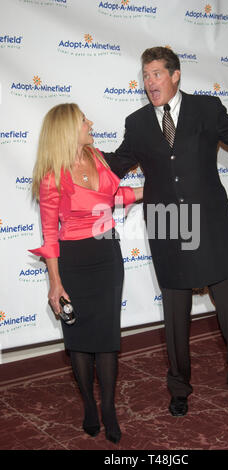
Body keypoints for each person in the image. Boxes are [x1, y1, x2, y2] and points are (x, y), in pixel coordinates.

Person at [103, 46, 228, 416]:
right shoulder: (137, 122)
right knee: (175, 317)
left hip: (209, 221)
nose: (149, 82)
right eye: (145, 76)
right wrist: (82, 156)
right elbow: (117, 163)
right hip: (165, 222)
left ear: (175, 75)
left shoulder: (206, 109)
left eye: (156, 74)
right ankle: (179, 388)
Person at [29, 103, 143, 443]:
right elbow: (50, 233)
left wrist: (149, 191)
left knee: (108, 337)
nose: (90, 123)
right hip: (74, 261)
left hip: (108, 254)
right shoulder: (52, 176)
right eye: (83, 120)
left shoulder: (98, 159)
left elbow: (113, 196)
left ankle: (107, 408)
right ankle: (89, 407)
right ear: (68, 129)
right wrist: (56, 283)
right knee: (78, 339)